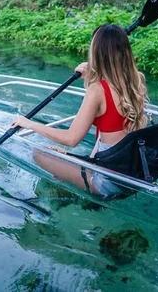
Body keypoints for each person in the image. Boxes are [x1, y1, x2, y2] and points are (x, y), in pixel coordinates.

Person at [11, 24, 148, 197]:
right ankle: (68, 191)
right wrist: (92, 75)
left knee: (39, 153)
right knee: (60, 161)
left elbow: (71, 139)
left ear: (95, 52)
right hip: (133, 174)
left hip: (107, 183)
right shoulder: (136, 81)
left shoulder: (98, 90)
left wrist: (29, 123)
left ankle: (64, 200)